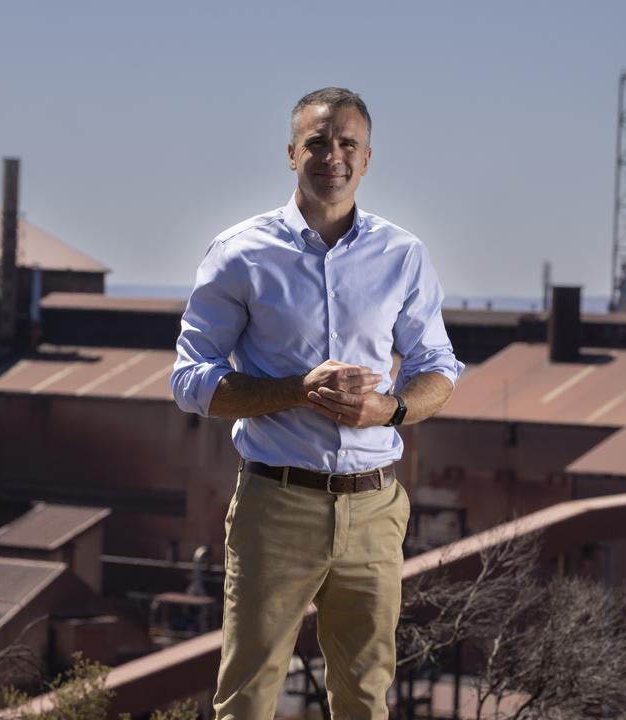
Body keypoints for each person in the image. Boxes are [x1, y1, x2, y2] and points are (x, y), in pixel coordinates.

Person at [170, 87, 464, 719]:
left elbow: (439, 369)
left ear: (367, 158)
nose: (333, 157)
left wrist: (390, 410)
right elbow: (191, 380)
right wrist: (298, 388)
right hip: (276, 503)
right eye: (318, 143)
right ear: (291, 153)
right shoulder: (240, 252)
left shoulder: (403, 255)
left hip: (375, 507)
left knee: (364, 698)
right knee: (247, 697)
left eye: (347, 144)